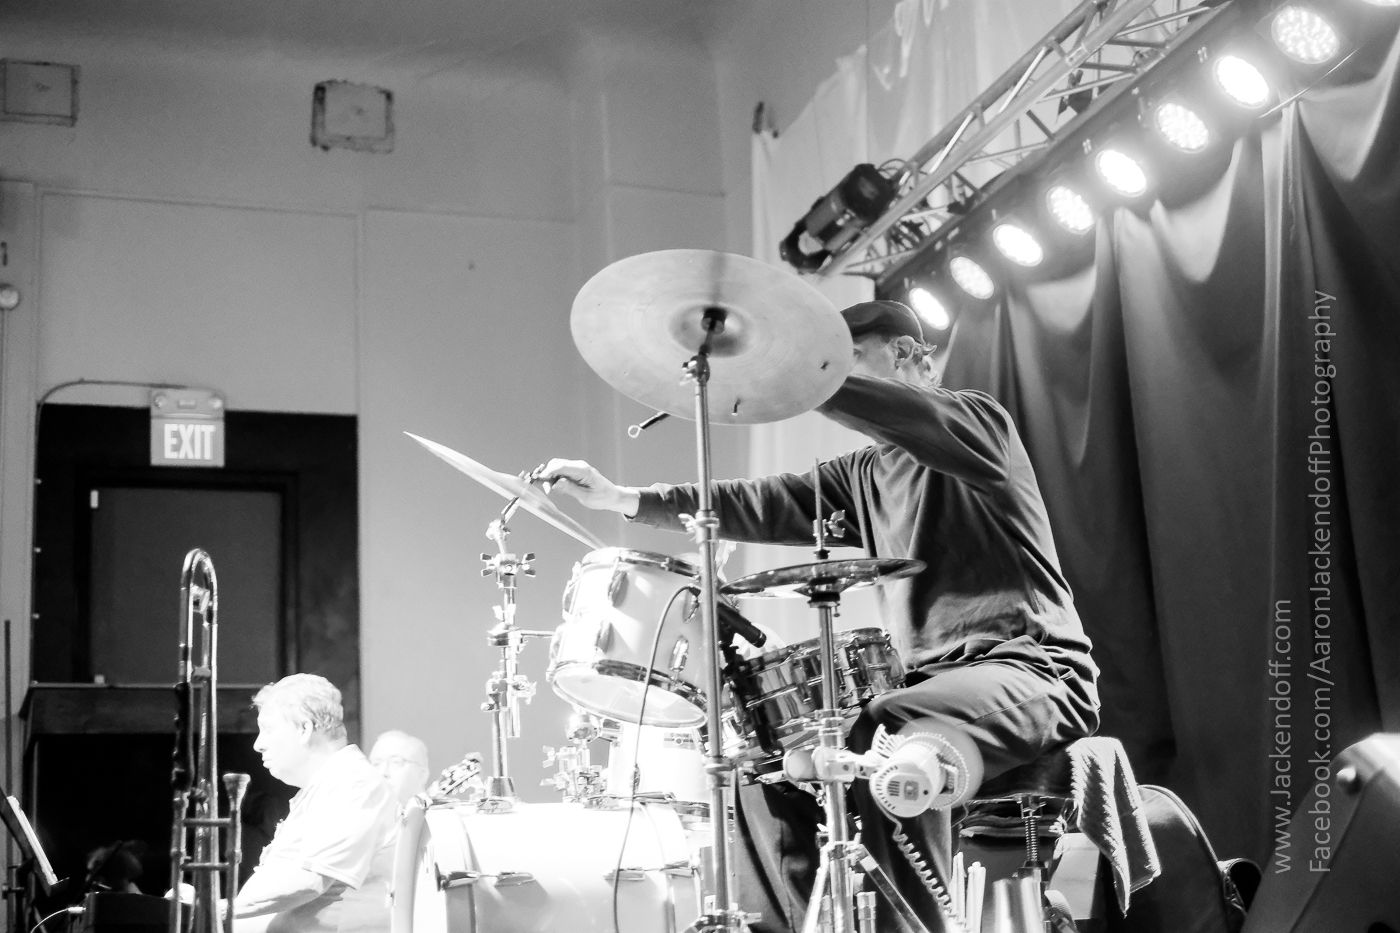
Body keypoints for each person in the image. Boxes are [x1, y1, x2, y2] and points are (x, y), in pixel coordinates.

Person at [543, 299, 1101, 932]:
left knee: (881, 731)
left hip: (1032, 671)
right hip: (928, 682)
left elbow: (908, 415)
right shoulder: (861, 473)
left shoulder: (978, 422)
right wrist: (626, 498)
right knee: (767, 761)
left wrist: (795, 373)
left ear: (906, 354)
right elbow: (757, 502)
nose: (835, 378)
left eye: (846, 360)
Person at [230, 674, 397, 933]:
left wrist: (216, 908)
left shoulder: (353, 784)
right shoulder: (328, 787)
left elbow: (308, 882)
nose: (258, 744)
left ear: (304, 729)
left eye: (268, 729)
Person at [368, 730, 431, 810]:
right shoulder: (361, 815)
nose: (382, 772)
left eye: (396, 762)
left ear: (422, 775)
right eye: (376, 764)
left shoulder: (440, 815)